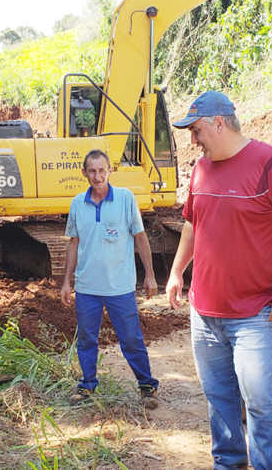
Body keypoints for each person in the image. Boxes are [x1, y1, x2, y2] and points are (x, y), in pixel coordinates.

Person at [166, 91, 272, 470]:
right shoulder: (201, 169)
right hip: (206, 311)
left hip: (256, 312)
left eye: (196, 130)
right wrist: (177, 271)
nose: (193, 140)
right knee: (219, 398)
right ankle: (228, 463)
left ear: (219, 123)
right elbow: (192, 224)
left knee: (259, 400)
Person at [59, 149, 160, 408]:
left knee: (131, 339)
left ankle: (147, 386)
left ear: (110, 171)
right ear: (84, 173)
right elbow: (73, 243)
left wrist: (149, 275)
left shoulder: (126, 199)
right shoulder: (77, 204)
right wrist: (66, 281)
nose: (97, 176)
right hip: (87, 288)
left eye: (102, 170)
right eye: (91, 171)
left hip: (120, 287)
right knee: (86, 339)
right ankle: (88, 385)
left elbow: (140, 237)